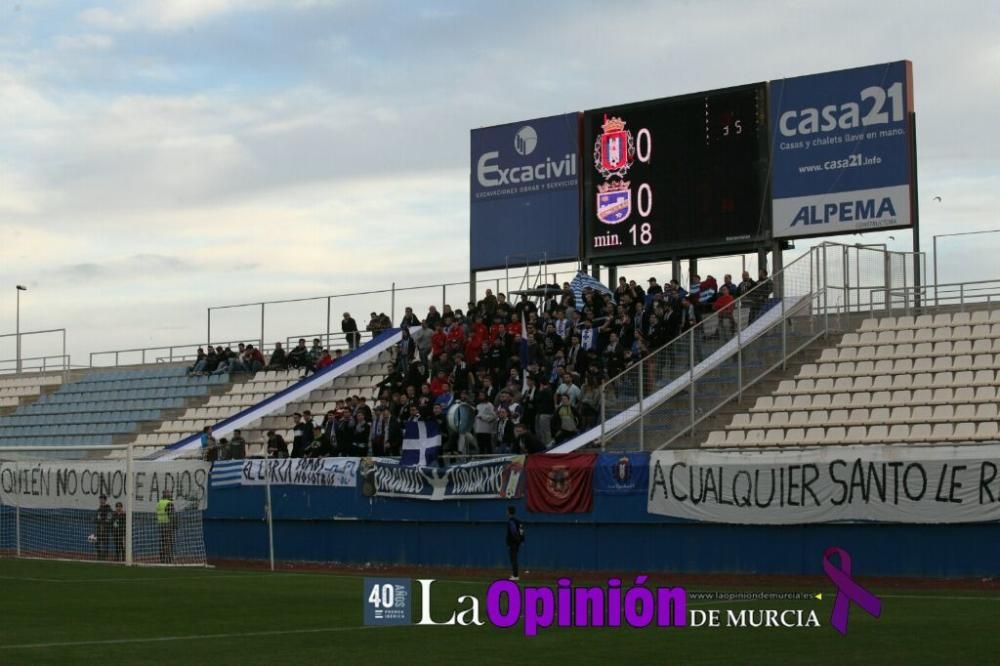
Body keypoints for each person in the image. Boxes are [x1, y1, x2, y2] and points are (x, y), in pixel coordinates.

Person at [156, 490, 177, 564]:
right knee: (168, 543)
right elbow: (171, 515)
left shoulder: (159, 503)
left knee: (162, 542)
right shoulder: (169, 503)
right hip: (168, 525)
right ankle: (168, 559)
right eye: (170, 494)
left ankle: (162, 558)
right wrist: (175, 525)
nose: (171, 495)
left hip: (161, 525)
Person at [505, 505, 525, 581]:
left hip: (513, 543)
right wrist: (522, 540)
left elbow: (513, 532)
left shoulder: (511, 521)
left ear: (509, 512)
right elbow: (522, 531)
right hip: (517, 543)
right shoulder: (519, 521)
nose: (506, 512)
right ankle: (515, 574)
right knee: (514, 558)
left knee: (513, 559)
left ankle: (515, 575)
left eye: (507, 511)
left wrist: (510, 542)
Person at [95, 495, 112, 560]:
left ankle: (105, 556)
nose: (101, 500)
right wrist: (95, 520)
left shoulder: (108, 509)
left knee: (105, 541)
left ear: (105, 500)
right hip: (99, 528)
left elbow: (109, 518)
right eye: (100, 499)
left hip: (105, 528)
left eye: (102, 499)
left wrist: (104, 523)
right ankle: (99, 554)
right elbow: (97, 518)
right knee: (96, 541)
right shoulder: (99, 509)